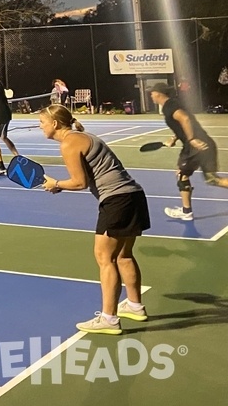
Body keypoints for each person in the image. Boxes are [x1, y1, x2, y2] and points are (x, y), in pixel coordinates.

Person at [37, 104, 149, 334]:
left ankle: (109, 318)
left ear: (55, 124)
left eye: (42, 123)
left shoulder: (69, 142)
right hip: (133, 196)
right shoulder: (81, 136)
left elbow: (79, 182)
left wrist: (56, 184)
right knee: (123, 255)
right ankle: (135, 305)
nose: (40, 127)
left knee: (104, 258)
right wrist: (58, 186)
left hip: (117, 200)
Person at [150, 82, 228, 221]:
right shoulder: (174, 103)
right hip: (206, 144)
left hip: (194, 148)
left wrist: (191, 139)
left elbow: (184, 118)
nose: (151, 95)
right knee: (212, 179)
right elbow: (182, 122)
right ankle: (186, 211)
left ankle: (187, 212)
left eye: (152, 93)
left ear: (158, 94)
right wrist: (174, 138)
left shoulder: (169, 106)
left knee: (181, 175)